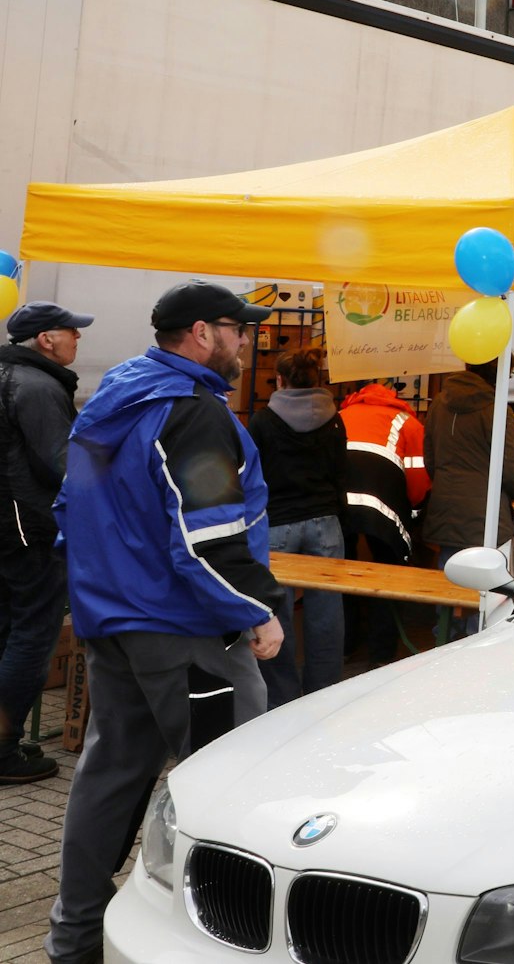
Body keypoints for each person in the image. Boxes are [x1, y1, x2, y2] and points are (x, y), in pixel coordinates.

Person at [46, 281, 283, 964]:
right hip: (183, 628)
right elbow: (208, 535)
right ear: (204, 333)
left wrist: (101, 596)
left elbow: (71, 511)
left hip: (111, 620)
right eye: (240, 329)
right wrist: (256, 608)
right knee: (233, 787)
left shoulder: (110, 400)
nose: (246, 342)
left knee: (111, 773)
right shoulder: (192, 411)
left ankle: (74, 939)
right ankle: (222, 944)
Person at [0, 301, 93, 784]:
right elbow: (66, 463)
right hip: (27, 531)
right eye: (70, 331)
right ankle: (3, 749)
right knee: (31, 635)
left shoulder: (13, 376)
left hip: (9, 528)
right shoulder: (35, 386)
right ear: (45, 340)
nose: (78, 338)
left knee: (7, 632)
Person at [247, 347, 347, 701]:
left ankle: (282, 697)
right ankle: (324, 693)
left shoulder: (262, 421)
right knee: (327, 614)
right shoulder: (335, 418)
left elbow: (252, 477)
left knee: (277, 615)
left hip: (277, 524)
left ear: (279, 380)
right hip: (326, 523)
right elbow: (340, 473)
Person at [338, 379, 429, 663]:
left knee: (341, 574)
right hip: (384, 508)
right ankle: (381, 655)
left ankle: (346, 644)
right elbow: (418, 480)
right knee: (388, 577)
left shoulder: (340, 416)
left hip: (339, 504)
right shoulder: (408, 423)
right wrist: (414, 512)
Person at [424, 358, 514, 572]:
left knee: (447, 584)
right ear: (497, 374)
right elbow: (511, 472)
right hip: (487, 518)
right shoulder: (497, 410)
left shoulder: (438, 404)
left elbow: (430, 461)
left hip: (445, 511)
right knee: (488, 589)